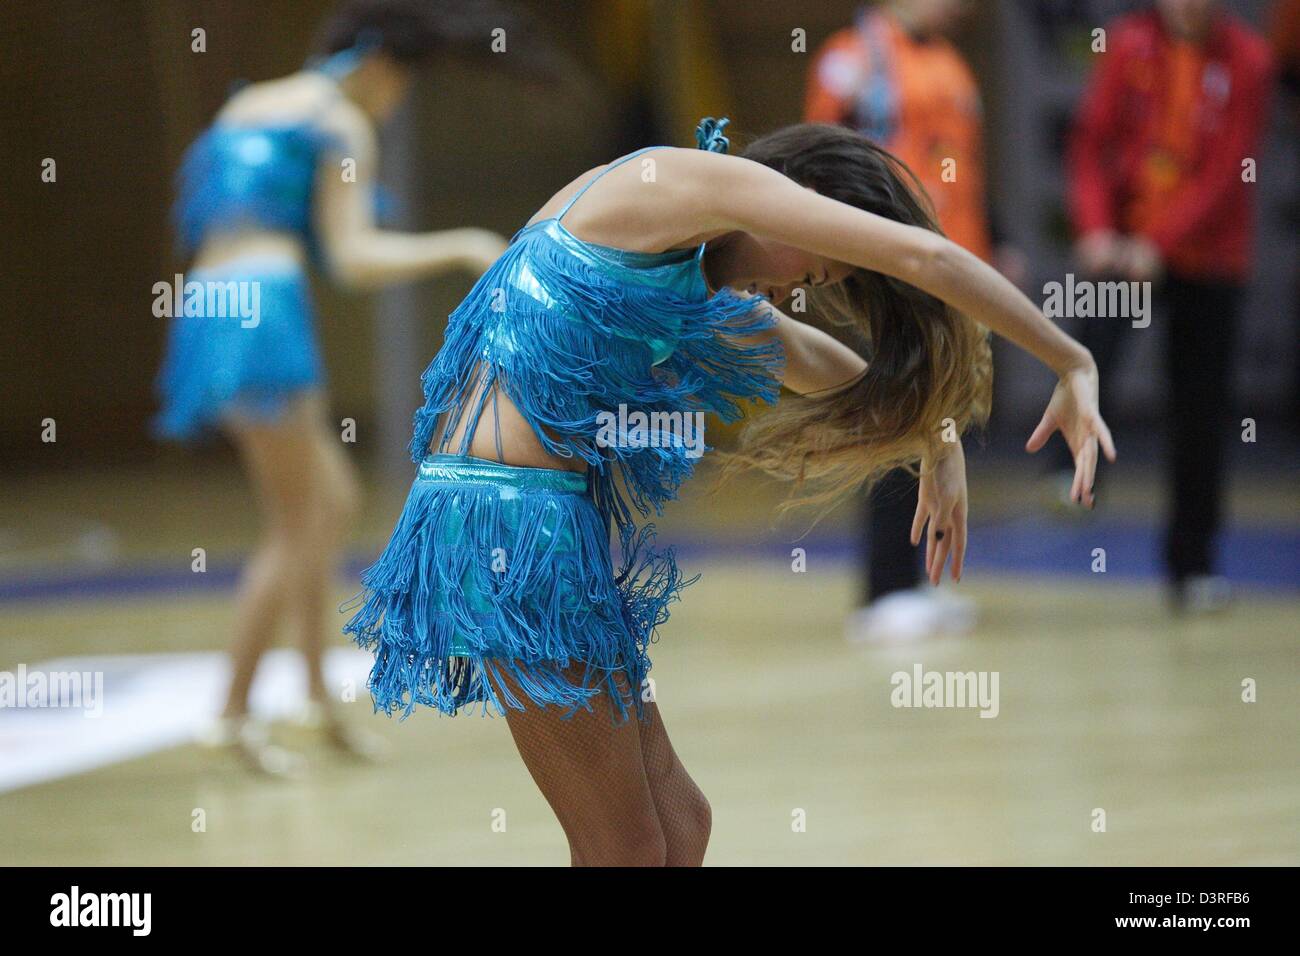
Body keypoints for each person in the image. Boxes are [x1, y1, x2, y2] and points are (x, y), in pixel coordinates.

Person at [345, 116, 1114, 866]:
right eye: (809, 271)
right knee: (624, 848)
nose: (791, 287)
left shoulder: (688, 266)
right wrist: (1070, 360)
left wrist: (937, 437)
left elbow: (805, 356)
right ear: (805, 194)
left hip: (547, 524)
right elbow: (928, 259)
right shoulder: (689, 181)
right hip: (500, 522)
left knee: (682, 824)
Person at [155, 0, 513, 773]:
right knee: (297, 522)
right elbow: (352, 258)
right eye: (403, 84)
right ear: (382, 64)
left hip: (209, 306)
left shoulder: (251, 101)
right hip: (266, 315)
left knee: (333, 500)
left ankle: (315, 701)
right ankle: (230, 714)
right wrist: (463, 245)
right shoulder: (340, 124)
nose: (397, 102)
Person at [804, 0, 1009, 643]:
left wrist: (992, 242)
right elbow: (820, 163)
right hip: (895, 266)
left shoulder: (948, 63)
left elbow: (961, 165)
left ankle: (917, 578)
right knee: (897, 412)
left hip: (952, 262)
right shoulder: (852, 57)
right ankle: (884, 587)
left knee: (936, 418)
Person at [1063, 0, 1274, 612]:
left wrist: (1162, 244)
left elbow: (1229, 172)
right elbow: (1091, 143)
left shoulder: (1250, 61)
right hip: (1125, 246)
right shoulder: (1126, 45)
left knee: (1200, 412)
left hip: (1208, 257)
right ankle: (1065, 473)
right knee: (1081, 353)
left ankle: (1193, 565)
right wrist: (1098, 227)